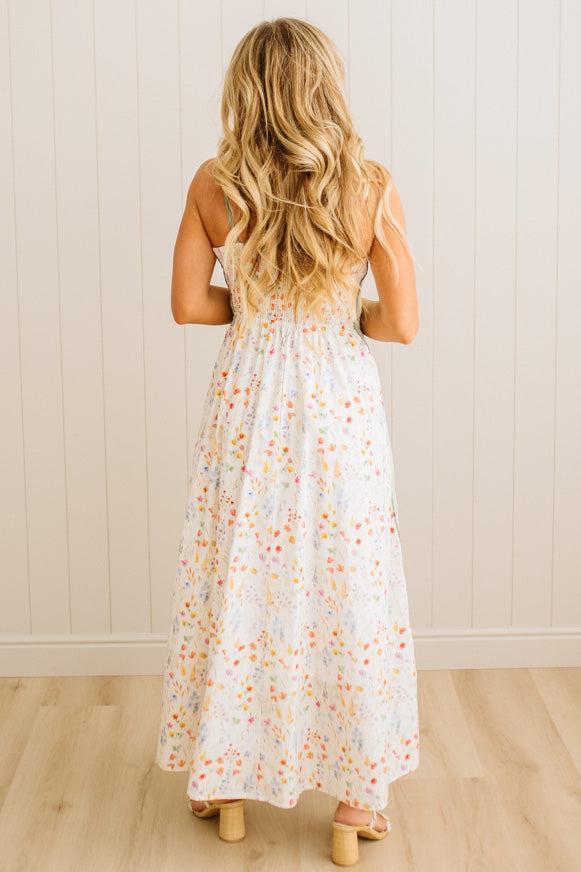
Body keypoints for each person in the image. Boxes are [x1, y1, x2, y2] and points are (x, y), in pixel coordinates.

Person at [155, 17, 420, 866]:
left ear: (245, 91)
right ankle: (352, 806)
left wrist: (263, 314)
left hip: (249, 402)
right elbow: (404, 325)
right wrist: (336, 314)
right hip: (338, 407)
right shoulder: (368, 186)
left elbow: (190, 306)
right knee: (349, 587)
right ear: (324, 88)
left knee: (238, 576)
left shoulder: (213, 182)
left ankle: (225, 788)